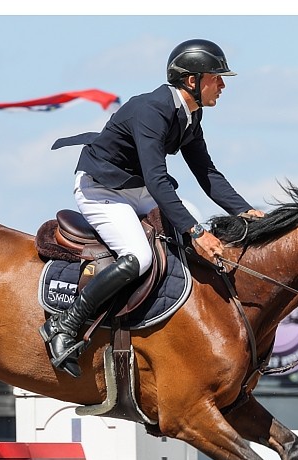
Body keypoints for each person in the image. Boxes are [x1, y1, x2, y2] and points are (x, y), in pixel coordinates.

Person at [43, 39, 265, 376]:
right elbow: (158, 179)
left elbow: (207, 174)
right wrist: (196, 232)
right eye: (216, 77)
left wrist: (246, 212)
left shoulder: (191, 114)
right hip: (101, 189)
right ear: (192, 80)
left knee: (193, 220)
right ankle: (66, 325)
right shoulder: (152, 109)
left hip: (136, 188)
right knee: (140, 256)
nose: (222, 84)